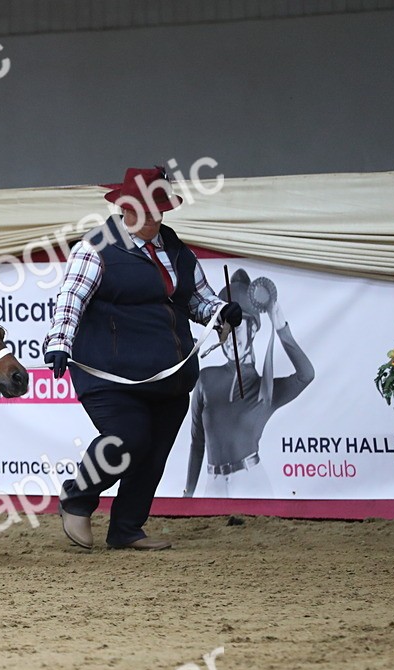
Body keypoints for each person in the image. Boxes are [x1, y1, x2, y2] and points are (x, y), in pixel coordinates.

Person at [43, 166, 242, 550]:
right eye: (148, 210)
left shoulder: (177, 251)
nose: (156, 218)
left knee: (153, 454)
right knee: (128, 438)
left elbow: (197, 301)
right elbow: (71, 299)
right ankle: (77, 498)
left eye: (160, 210)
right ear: (126, 208)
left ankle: (127, 529)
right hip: (110, 376)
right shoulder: (95, 248)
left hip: (171, 377)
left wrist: (221, 312)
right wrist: (59, 343)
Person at [183, 270, 314, 497]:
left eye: (236, 326)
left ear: (252, 328)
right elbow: (197, 442)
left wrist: (280, 327)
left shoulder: (266, 389)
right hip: (213, 486)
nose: (228, 335)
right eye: (222, 328)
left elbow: (306, 375)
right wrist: (188, 495)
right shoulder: (205, 379)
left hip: (251, 482)